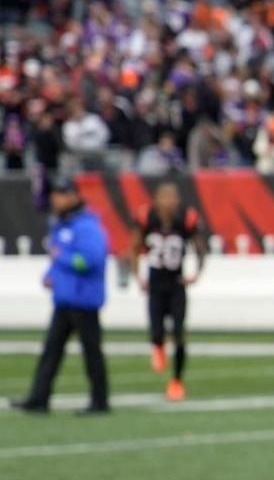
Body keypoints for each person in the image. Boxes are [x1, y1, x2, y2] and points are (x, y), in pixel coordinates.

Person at [12, 175, 111, 415]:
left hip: (84, 299)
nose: (55, 200)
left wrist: (62, 260)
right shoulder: (61, 225)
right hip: (64, 298)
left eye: (59, 195)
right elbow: (59, 258)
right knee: (51, 350)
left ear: (73, 196)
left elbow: (92, 259)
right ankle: (39, 397)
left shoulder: (87, 226)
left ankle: (99, 400)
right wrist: (51, 274)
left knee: (91, 351)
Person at [126, 180, 206, 402]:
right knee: (156, 330)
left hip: (176, 284)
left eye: (173, 198)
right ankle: (158, 346)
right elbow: (134, 247)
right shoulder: (147, 218)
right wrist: (137, 276)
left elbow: (200, 248)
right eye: (165, 197)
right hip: (155, 283)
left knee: (179, 333)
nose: (169, 202)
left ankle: (176, 381)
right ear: (156, 200)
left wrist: (197, 272)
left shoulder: (185, 219)